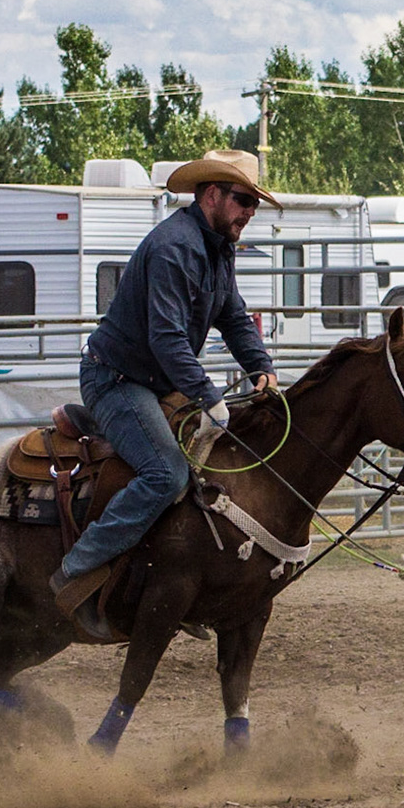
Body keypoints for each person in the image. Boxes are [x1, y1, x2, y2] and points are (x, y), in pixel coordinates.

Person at [51, 149, 280, 637]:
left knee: (210, 466)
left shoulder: (216, 248)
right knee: (167, 474)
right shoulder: (175, 248)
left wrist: (261, 367)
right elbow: (167, 338)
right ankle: (76, 570)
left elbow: (234, 317)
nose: (250, 212)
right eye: (243, 200)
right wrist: (208, 395)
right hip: (117, 380)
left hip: (152, 380)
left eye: (255, 204)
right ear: (212, 194)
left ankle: (170, 584)